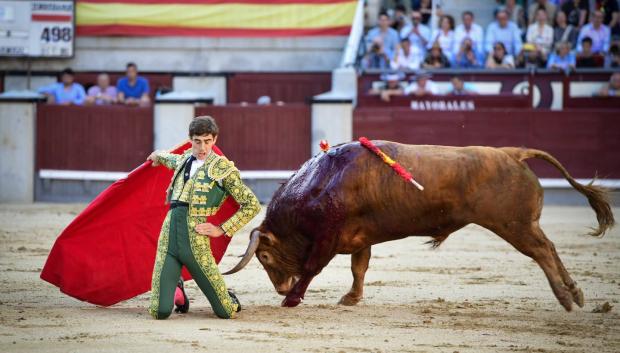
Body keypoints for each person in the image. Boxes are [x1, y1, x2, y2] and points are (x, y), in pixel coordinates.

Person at [146, 116, 260, 320]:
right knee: (159, 311)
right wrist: (157, 155)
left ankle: (225, 295)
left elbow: (252, 204)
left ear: (214, 139)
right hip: (168, 238)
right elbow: (167, 158)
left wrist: (221, 229)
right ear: (190, 140)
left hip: (196, 243)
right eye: (197, 141)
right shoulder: (183, 160)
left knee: (226, 312)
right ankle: (177, 289)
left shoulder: (223, 169)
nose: (202, 147)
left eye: (207, 141)